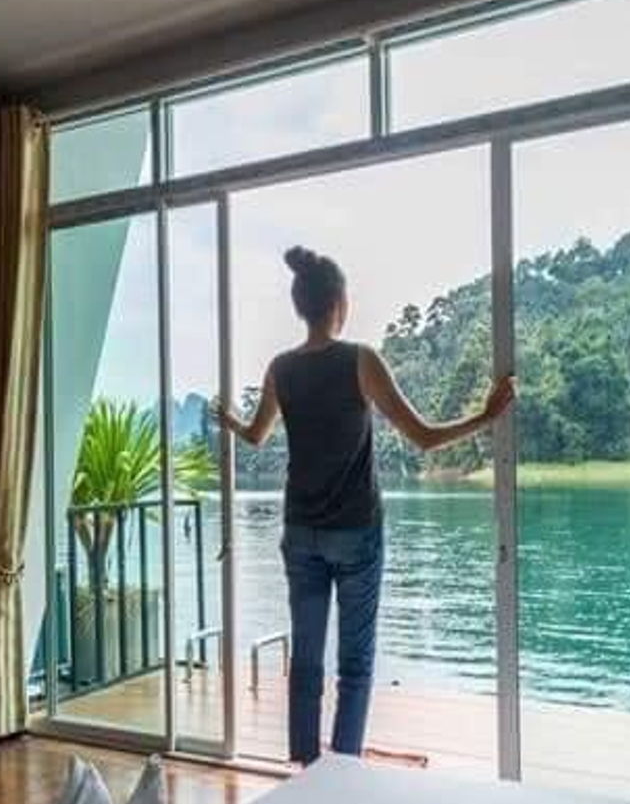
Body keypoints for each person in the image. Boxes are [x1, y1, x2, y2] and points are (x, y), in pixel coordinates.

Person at [216, 247, 514, 765]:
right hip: (355, 532)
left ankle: (305, 770)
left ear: (302, 306)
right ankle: (343, 772)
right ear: (339, 303)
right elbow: (423, 436)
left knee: (306, 663)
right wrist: (486, 418)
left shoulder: (280, 368)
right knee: (354, 666)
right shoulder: (361, 360)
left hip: (300, 532)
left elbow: (257, 436)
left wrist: (230, 421)